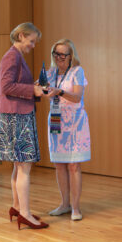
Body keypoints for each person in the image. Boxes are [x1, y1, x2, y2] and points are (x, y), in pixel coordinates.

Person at [0, 22, 49, 230]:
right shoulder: (12, 56)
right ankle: (25, 214)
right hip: (17, 116)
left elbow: (14, 85)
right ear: (21, 36)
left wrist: (33, 88)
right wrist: (33, 90)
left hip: (16, 115)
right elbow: (6, 87)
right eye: (32, 41)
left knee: (19, 166)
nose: (33, 45)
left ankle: (17, 207)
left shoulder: (16, 56)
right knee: (24, 166)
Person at [44, 38, 91, 221]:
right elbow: (38, 89)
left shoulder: (77, 71)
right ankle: (64, 204)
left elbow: (77, 97)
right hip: (56, 121)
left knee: (73, 165)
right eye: (56, 54)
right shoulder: (50, 73)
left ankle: (76, 208)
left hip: (75, 122)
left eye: (63, 54)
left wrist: (59, 92)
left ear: (71, 56)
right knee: (59, 164)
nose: (59, 57)